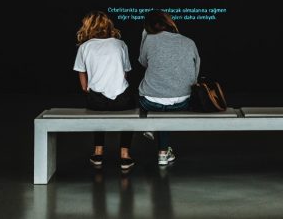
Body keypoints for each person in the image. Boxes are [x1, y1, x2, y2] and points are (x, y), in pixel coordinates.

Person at [73, 11, 136, 170]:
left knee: (97, 114)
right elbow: (125, 72)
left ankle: (98, 152)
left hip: (96, 99)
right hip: (122, 99)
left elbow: (81, 72)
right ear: (108, 26)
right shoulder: (120, 44)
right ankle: (125, 155)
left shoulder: (84, 47)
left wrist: (87, 89)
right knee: (128, 117)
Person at [138, 9, 200, 165]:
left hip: (150, 101)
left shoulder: (149, 40)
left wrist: (144, 37)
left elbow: (143, 63)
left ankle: (150, 125)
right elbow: (195, 73)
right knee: (164, 107)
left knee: (150, 99)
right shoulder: (189, 41)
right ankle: (163, 153)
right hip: (183, 101)